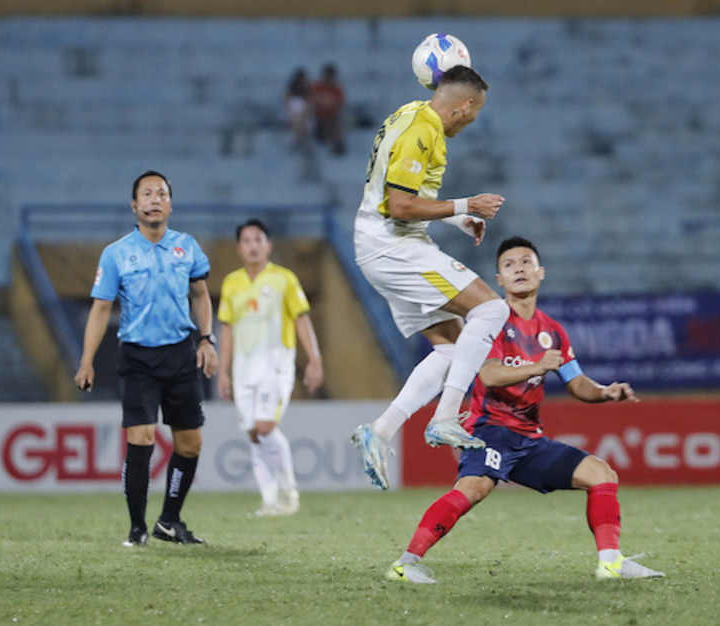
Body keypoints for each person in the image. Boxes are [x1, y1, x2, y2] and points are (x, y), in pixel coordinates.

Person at [386, 237, 664, 583]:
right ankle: (406, 562)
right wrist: (535, 367)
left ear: (541, 273)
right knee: (473, 489)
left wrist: (605, 392)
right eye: (509, 264)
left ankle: (611, 563)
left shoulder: (553, 331)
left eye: (526, 261)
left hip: (529, 439)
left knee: (602, 474)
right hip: (489, 431)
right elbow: (489, 374)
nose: (519, 268)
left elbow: (577, 383)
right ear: (499, 280)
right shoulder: (488, 321)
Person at [350, 65, 510, 490]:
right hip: (393, 247)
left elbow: (402, 195)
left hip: (384, 244)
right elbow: (399, 206)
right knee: (492, 308)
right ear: (465, 106)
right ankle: (445, 416)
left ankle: (379, 431)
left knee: (451, 346)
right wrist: (466, 205)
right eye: (475, 112)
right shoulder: (424, 131)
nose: (473, 121)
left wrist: (458, 222)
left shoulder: (410, 113)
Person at [75, 171, 216, 547]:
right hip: (137, 358)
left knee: (190, 444)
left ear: (170, 203)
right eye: (147, 194)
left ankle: (169, 521)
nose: (155, 199)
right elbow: (101, 308)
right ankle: (137, 529)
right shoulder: (117, 253)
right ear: (134, 205)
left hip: (181, 355)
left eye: (162, 193)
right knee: (142, 438)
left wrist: (206, 339)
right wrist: (87, 360)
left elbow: (200, 295)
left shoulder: (187, 246)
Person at [217, 219, 324, 517]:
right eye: (247, 241)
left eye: (258, 239)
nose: (253, 246)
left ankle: (288, 490)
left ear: (268, 245)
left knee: (265, 426)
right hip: (242, 369)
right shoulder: (231, 283)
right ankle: (269, 501)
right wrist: (223, 371)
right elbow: (226, 330)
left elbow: (301, 318)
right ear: (239, 247)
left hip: (275, 366)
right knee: (253, 433)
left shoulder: (284, 279)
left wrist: (314, 358)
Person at [310, 63, 346, 155]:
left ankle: (337, 145)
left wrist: (327, 102)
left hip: (332, 118)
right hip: (317, 119)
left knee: (335, 125)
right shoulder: (316, 87)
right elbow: (313, 102)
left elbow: (340, 104)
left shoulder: (337, 89)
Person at [283, 67, 313, 153]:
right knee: (297, 113)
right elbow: (287, 106)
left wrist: (303, 116)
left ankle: (299, 140)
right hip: (291, 117)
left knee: (301, 120)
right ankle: (300, 140)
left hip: (306, 119)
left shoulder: (308, 94)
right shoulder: (289, 94)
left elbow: (310, 108)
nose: (301, 83)